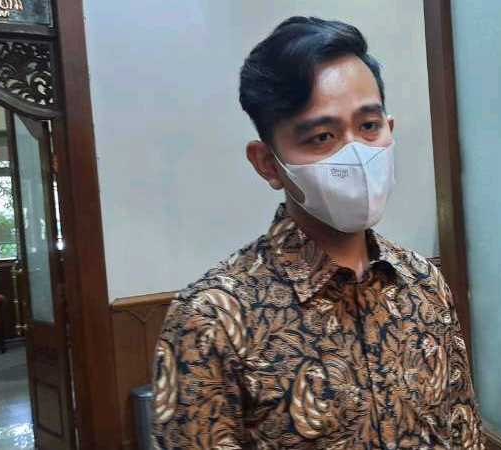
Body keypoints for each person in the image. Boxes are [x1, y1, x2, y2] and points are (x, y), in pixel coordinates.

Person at [152, 16, 483, 449]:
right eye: (323, 136)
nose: (355, 153)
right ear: (267, 164)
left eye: (369, 126)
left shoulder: (423, 284)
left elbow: (462, 431)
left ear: (390, 129)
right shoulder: (212, 319)